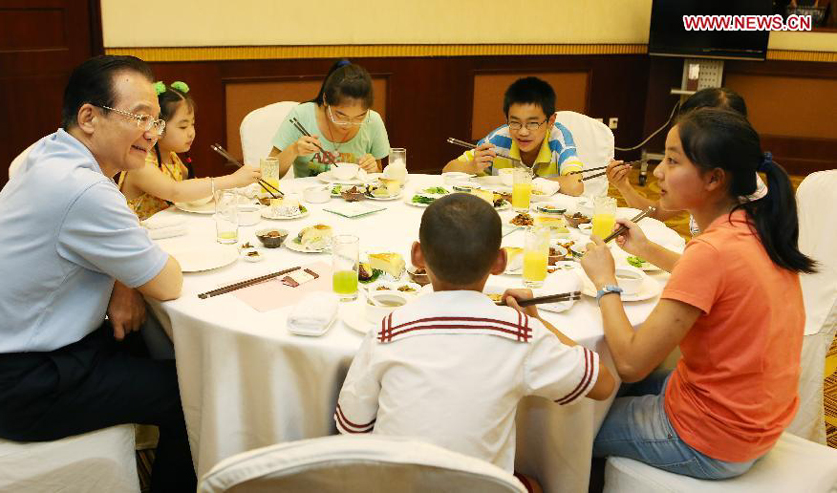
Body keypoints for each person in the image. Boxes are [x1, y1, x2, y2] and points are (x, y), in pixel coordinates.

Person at [0, 55, 196, 491]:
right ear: (88, 117)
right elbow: (168, 282)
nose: (152, 133)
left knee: (154, 343)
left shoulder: (47, 151)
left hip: (10, 355)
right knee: (193, 391)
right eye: (140, 117)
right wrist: (129, 276)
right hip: (24, 384)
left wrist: (121, 279)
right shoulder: (85, 189)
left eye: (155, 121)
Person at [581, 108, 815, 480]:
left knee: (575, 427)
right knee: (608, 387)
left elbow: (630, 361)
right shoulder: (752, 224)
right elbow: (715, 281)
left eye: (673, 161)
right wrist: (645, 249)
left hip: (714, 438)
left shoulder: (712, 251)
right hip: (758, 415)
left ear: (713, 179)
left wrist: (604, 281)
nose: (658, 172)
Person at [334, 193, 615, 490]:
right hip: (481, 486)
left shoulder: (387, 330)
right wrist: (538, 322)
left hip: (398, 486)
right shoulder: (520, 334)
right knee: (534, 482)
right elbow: (604, 384)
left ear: (417, 256)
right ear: (500, 262)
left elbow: (352, 428)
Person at [606, 87, 765, 237]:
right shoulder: (704, 187)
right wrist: (624, 186)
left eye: (673, 160)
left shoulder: (737, 222)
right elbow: (656, 213)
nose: (657, 172)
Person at [118, 80, 260, 220]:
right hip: (143, 237)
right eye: (183, 127)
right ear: (157, 125)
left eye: (192, 124)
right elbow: (176, 191)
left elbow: (193, 187)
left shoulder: (171, 156)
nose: (191, 132)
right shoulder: (140, 165)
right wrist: (233, 179)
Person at [443, 76, 584, 196]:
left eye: (532, 123)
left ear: (550, 121)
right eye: (515, 122)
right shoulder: (499, 139)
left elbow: (575, 185)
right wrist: (472, 166)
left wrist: (526, 181)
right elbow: (447, 170)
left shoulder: (559, 139)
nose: (523, 132)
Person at [270, 59, 390, 178]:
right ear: (326, 100)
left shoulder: (373, 120)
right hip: (308, 195)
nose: (349, 124)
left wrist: (373, 169)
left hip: (354, 195)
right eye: (341, 115)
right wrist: (294, 149)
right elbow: (268, 174)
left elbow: (379, 176)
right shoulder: (301, 115)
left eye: (360, 117)